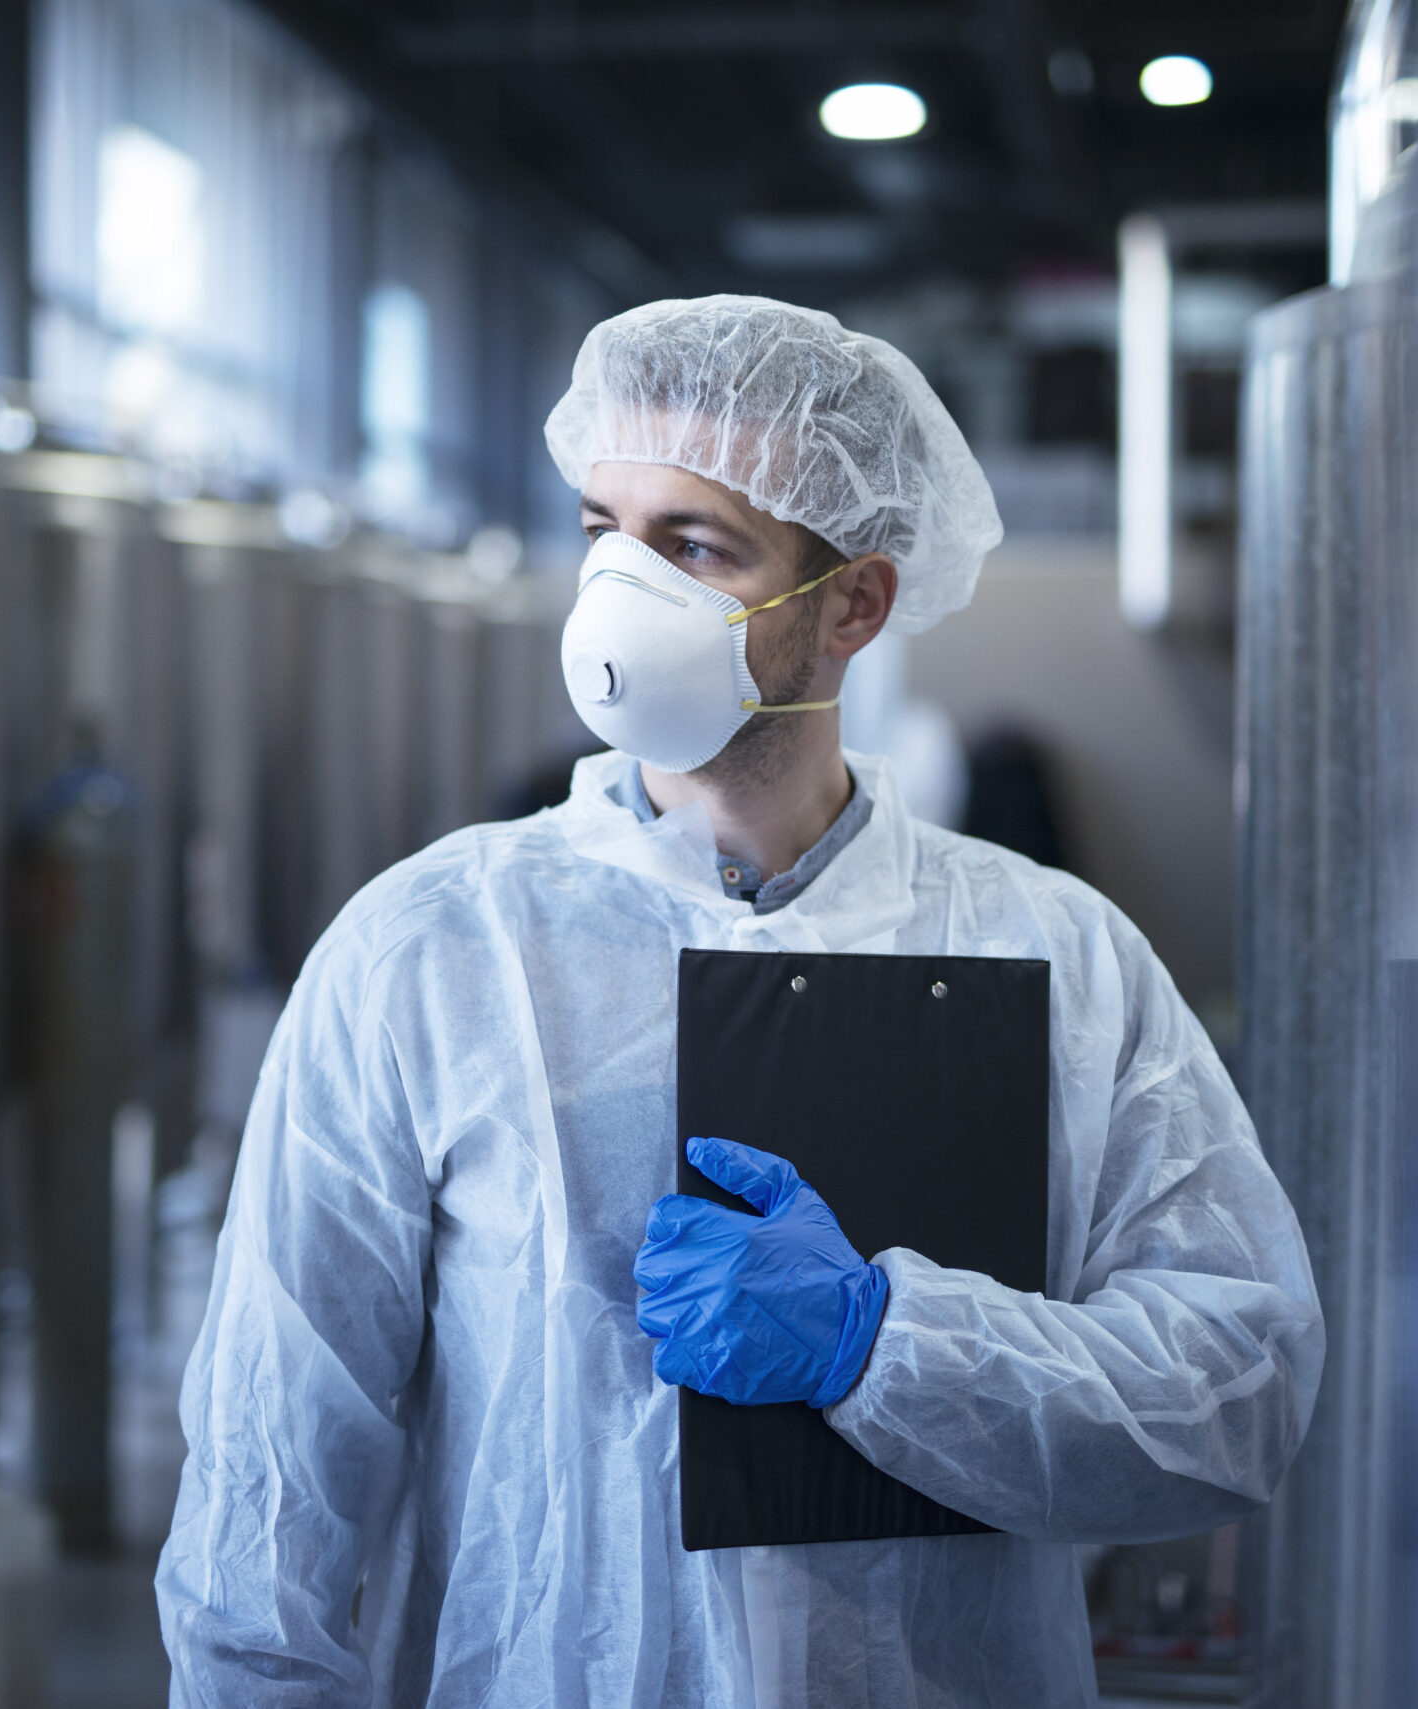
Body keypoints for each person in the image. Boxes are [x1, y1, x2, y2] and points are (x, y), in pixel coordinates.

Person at [157, 295, 1323, 1707]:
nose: (622, 592)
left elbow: (1238, 1388)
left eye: (695, 544)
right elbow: (267, 1487)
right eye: (604, 530)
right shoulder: (430, 953)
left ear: (855, 603)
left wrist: (885, 1339)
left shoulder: (1058, 954)